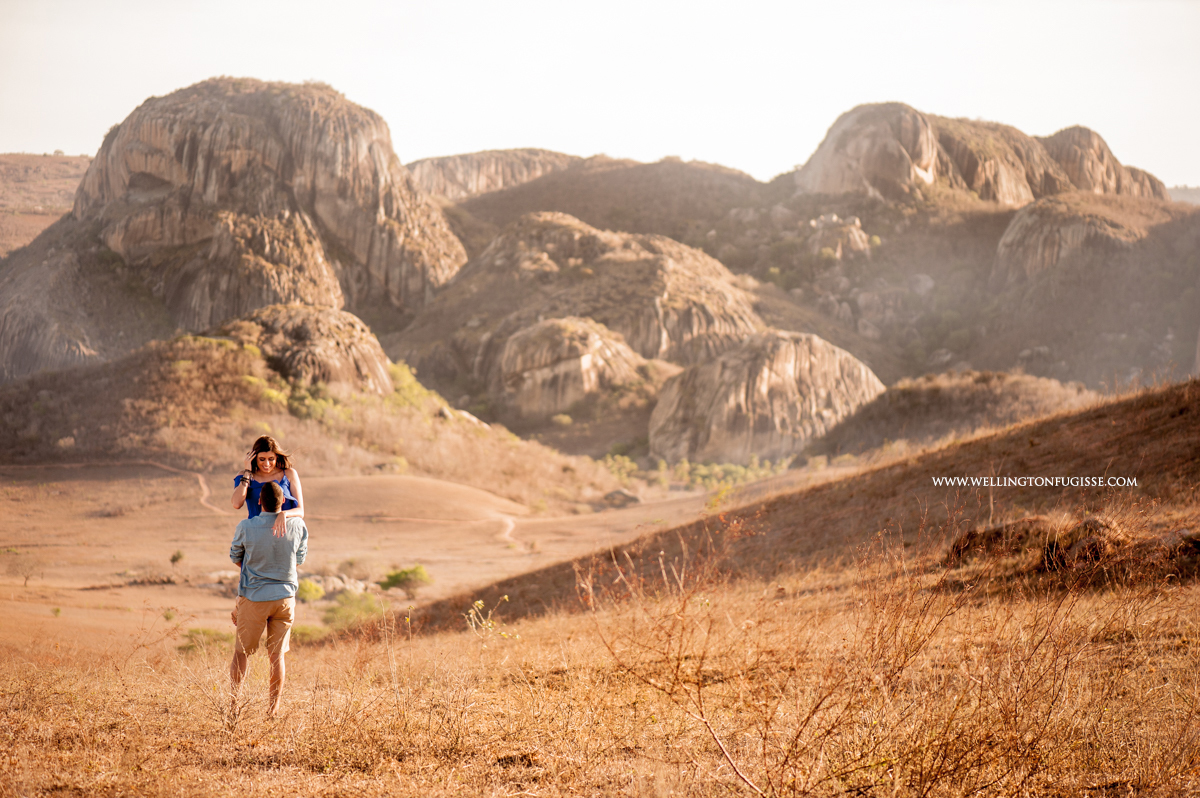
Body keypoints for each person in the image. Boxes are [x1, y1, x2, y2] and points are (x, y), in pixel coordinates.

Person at [229, 481, 309, 717]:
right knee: (277, 656)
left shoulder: (246, 526)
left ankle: (234, 708)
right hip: (285, 598)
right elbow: (300, 559)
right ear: (284, 501)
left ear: (259, 501)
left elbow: (236, 557)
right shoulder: (298, 526)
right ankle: (272, 710)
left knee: (242, 653)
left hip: (254, 597)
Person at [231, 435, 305, 538]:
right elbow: (236, 504)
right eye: (262, 459)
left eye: (271, 459)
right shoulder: (244, 475)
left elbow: (300, 511)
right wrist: (247, 472)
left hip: (285, 537)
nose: (267, 463)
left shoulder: (289, 474)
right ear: (254, 457)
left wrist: (283, 514)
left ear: (276, 457)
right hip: (257, 536)